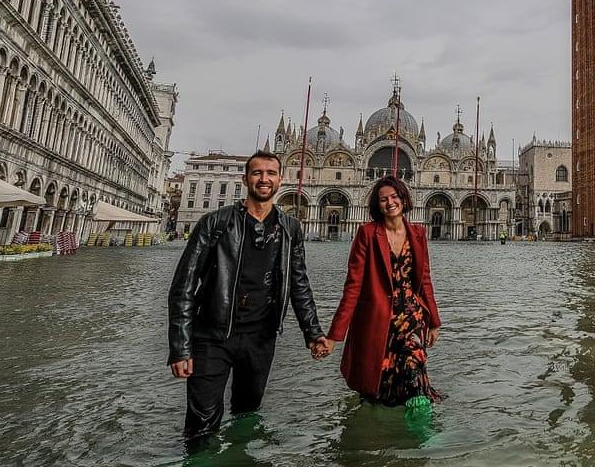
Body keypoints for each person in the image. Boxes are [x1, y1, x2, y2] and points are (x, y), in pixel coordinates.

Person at [167, 150, 329, 440]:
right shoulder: (215, 223)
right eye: (257, 173)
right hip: (212, 336)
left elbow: (299, 284)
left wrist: (313, 332)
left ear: (281, 180)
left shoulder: (290, 228)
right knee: (201, 424)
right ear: (246, 179)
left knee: (247, 414)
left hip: (260, 338)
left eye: (270, 173)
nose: (264, 179)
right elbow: (184, 285)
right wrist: (180, 347)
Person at [319, 176, 442, 415]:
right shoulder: (367, 233)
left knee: (414, 373)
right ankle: (381, 440)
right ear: (377, 205)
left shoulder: (418, 233)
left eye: (394, 197)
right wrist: (335, 336)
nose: (390, 202)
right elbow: (353, 287)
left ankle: (424, 436)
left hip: (411, 317)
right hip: (378, 318)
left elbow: (425, 280)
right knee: (381, 384)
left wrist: (434, 321)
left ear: (404, 200)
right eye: (383, 199)